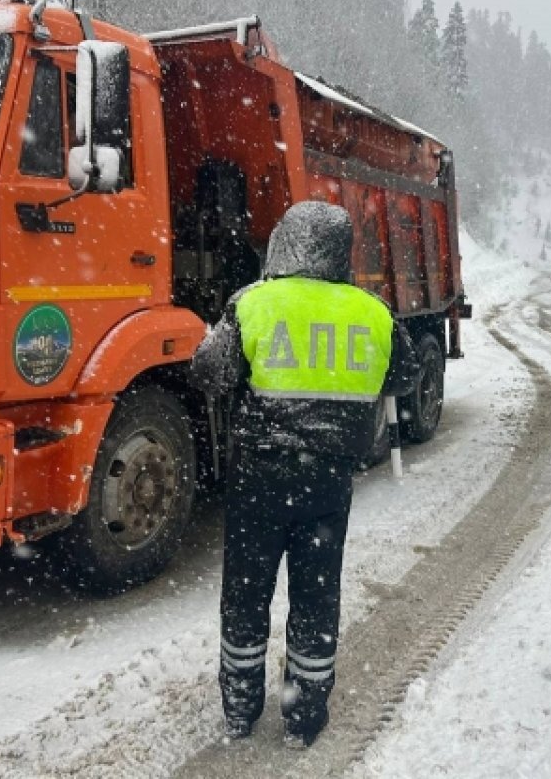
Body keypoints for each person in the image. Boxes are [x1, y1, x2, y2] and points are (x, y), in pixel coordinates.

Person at [190, 201, 418, 748]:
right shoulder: (374, 313)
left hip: (258, 479)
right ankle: (304, 716)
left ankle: (241, 709)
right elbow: (405, 378)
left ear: (282, 242)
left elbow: (209, 372)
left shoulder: (253, 303)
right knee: (317, 597)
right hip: (329, 483)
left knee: (246, 594)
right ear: (341, 251)